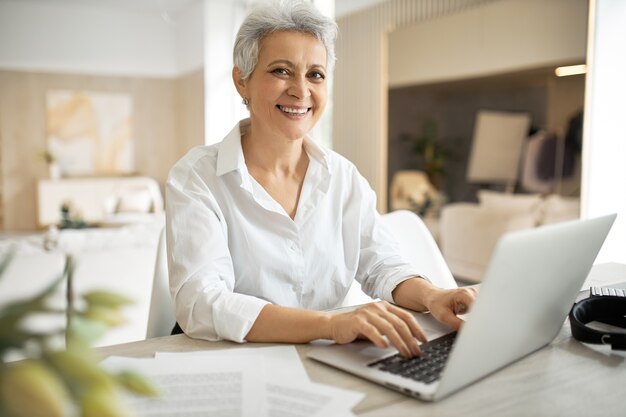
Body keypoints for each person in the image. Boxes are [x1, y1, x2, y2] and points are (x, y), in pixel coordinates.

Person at [166, 0, 476, 358]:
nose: (301, 90)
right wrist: (329, 325)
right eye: (281, 71)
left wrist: (433, 295)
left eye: (315, 74)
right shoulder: (196, 177)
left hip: (320, 358)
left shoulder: (342, 176)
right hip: (229, 360)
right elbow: (201, 303)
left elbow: (381, 263)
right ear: (242, 81)